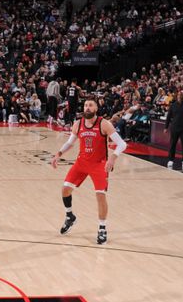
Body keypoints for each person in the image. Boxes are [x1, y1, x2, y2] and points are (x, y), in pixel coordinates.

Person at [51, 98, 128, 244]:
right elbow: (70, 142)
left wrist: (113, 158)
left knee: (100, 196)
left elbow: (122, 144)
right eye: (85, 105)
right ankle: (70, 216)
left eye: (90, 105)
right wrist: (58, 154)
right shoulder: (78, 123)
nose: (87, 107)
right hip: (81, 162)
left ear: (96, 108)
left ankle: (102, 228)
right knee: (65, 189)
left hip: (99, 164)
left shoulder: (104, 124)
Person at [164, 92, 183, 170]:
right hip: (174, 127)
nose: (179, 96)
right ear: (177, 96)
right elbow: (168, 117)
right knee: (172, 144)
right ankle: (171, 160)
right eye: (178, 95)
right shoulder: (173, 105)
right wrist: (166, 127)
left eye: (181, 95)